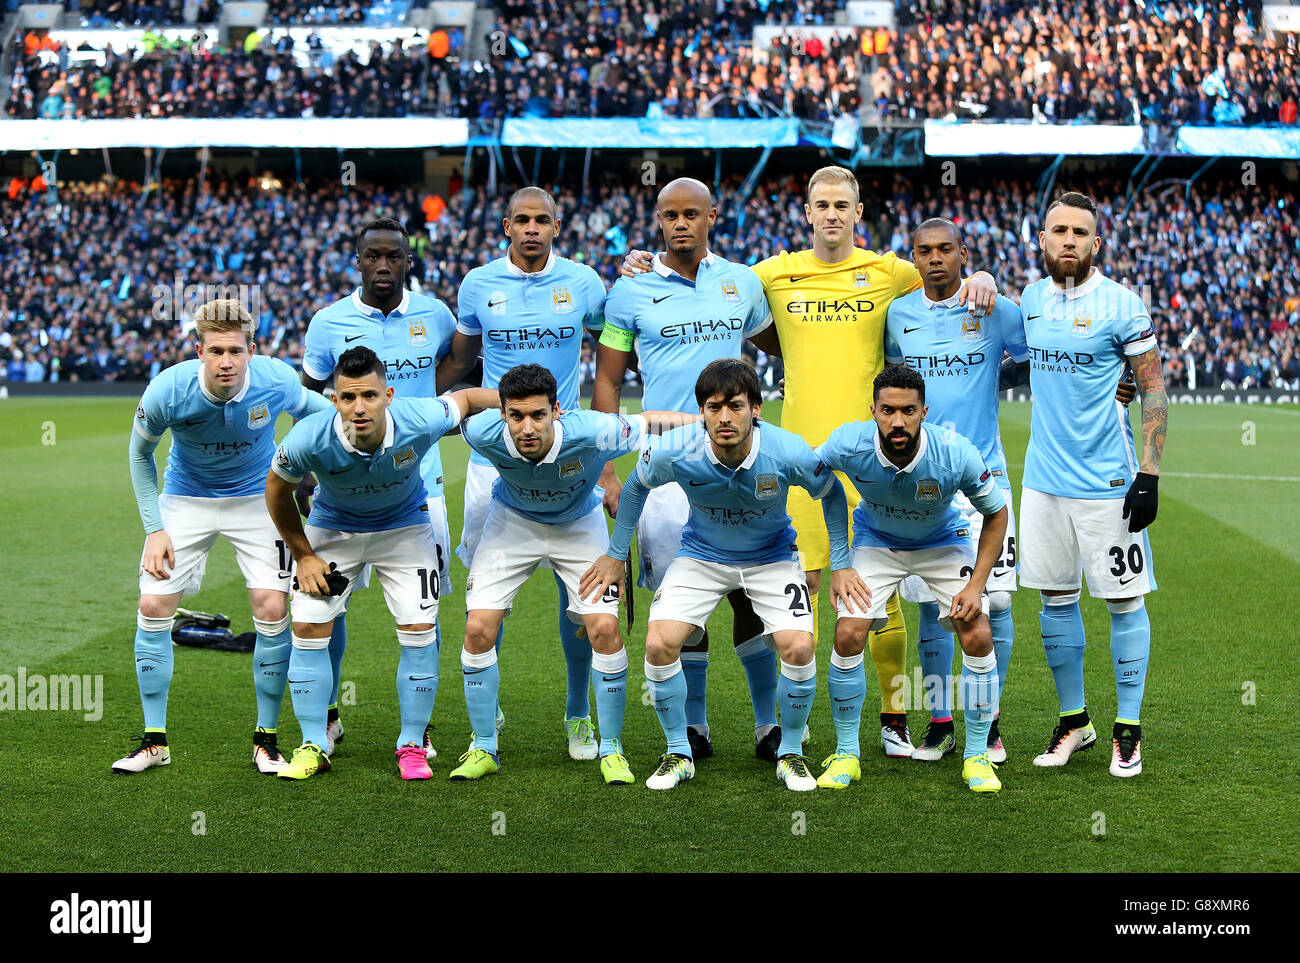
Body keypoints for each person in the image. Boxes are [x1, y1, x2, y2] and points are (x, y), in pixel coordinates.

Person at [622, 165, 999, 758]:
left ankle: (894, 717)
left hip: (877, 452)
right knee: (811, 585)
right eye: (820, 204)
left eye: (840, 204)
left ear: (857, 211)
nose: (830, 214)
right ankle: (805, 728)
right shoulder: (769, 274)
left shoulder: (890, 272)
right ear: (806, 211)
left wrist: (980, 274)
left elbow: (940, 271)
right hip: (798, 457)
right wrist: (645, 262)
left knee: (882, 593)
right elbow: (718, 285)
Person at [581, 359, 869, 791]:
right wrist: (614, 553)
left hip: (772, 557)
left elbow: (831, 492)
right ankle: (679, 751)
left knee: (799, 646)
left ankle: (790, 751)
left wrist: (842, 562)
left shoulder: (786, 450)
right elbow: (637, 485)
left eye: (735, 406)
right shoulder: (676, 448)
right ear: (701, 412)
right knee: (660, 643)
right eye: (714, 407)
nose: (724, 417)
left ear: (755, 408)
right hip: (701, 556)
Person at [593, 176, 787, 762]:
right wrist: (607, 470)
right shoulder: (628, 292)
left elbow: (787, 345)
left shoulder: (741, 282)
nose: (680, 224)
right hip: (669, 467)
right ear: (657, 220)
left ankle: (767, 725)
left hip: (741, 458)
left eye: (691, 214)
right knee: (685, 603)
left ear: (711, 217)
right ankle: (695, 729)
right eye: (669, 215)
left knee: (751, 599)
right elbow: (607, 378)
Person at [115, 299, 334, 775]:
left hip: (259, 499)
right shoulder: (168, 391)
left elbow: (324, 416)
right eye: (215, 351)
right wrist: (154, 530)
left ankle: (266, 740)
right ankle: (155, 741)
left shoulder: (275, 379)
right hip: (185, 499)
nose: (226, 362)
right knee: (152, 606)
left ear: (251, 351)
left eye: (235, 350)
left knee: (273, 609)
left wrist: (304, 472)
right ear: (199, 351)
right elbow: (139, 456)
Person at [450, 364, 696, 784]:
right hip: (512, 523)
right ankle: (484, 745)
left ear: (557, 411)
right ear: (503, 414)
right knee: (477, 629)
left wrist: (711, 423)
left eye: (538, 416)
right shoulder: (482, 432)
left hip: (578, 526)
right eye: (516, 416)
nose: (527, 428)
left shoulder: (594, 430)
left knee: (603, 628)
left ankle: (612, 749)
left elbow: (654, 422)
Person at [265, 347, 499, 781]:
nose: (359, 407)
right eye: (348, 397)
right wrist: (304, 556)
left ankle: (411, 744)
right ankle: (313, 743)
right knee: (308, 629)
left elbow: (465, 401)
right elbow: (276, 490)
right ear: (333, 400)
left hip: (404, 530)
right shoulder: (308, 437)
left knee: (419, 630)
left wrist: (515, 404)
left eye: (369, 396)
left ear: (388, 395)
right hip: (333, 531)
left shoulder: (419, 418)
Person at [436, 186, 610, 761]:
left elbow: (619, 349)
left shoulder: (585, 282)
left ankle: (578, 714)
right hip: (495, 456)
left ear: (556, 226)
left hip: (566, 453)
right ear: (506, 227)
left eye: (542, 220)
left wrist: (604, 464)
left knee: (579, 600)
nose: (532, 229)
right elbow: (458, 364)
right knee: (486, 599)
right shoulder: (478, 284)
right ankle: (490, 706)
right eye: (522, 221)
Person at [1018, 191, 1167, 778]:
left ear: (1096, 244)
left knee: (1125, 602)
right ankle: (1074, 721)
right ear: (1043, 240)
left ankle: (1127, 730)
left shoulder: (1123, 305)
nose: (1069, 241)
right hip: (1043, 484)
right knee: (1055, 600)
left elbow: (1150, 386)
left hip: (1108, 482)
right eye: (1060, 231)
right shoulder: (1028, 301)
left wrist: (1149, 474)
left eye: (1081, 232)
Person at [298, 216, 457, 760]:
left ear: (409, 262)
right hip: (341, 490)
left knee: (423, 615)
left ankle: (420, 729)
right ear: (358, 261)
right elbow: (308, 395)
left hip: (422, 487)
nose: (384, 265)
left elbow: (459, 371)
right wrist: (310, 468)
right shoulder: (327, 322)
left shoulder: (436, 315)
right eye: (375, 256)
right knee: (327, 605)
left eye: (395, 256)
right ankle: (326, 714)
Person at [814, 363, 1008, 793]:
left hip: (941, 540)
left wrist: (976, 585)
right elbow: (817, 480)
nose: (897, 422)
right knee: (848, 633)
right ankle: (847, 753)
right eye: (887, 411)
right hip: (875, 540)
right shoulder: (848, 442)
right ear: (873, 410)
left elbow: (997, 513)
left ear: (924, 412)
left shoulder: (955, 453)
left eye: (907, 411)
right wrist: (840, 562)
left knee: (975, 630)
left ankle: (977, 756)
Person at [883, 218, 1028, 763]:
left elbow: (1034, 354)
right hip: (922, 480)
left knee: (1000, 599)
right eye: (926, 251)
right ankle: (942, 720)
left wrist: (994, 374)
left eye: (947, 249)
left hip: (985, 477)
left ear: (964, 253)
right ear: (914, 258)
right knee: (931, 606)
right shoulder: (899, 315)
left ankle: (987, 723)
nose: (936, 258)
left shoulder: (993, 306)